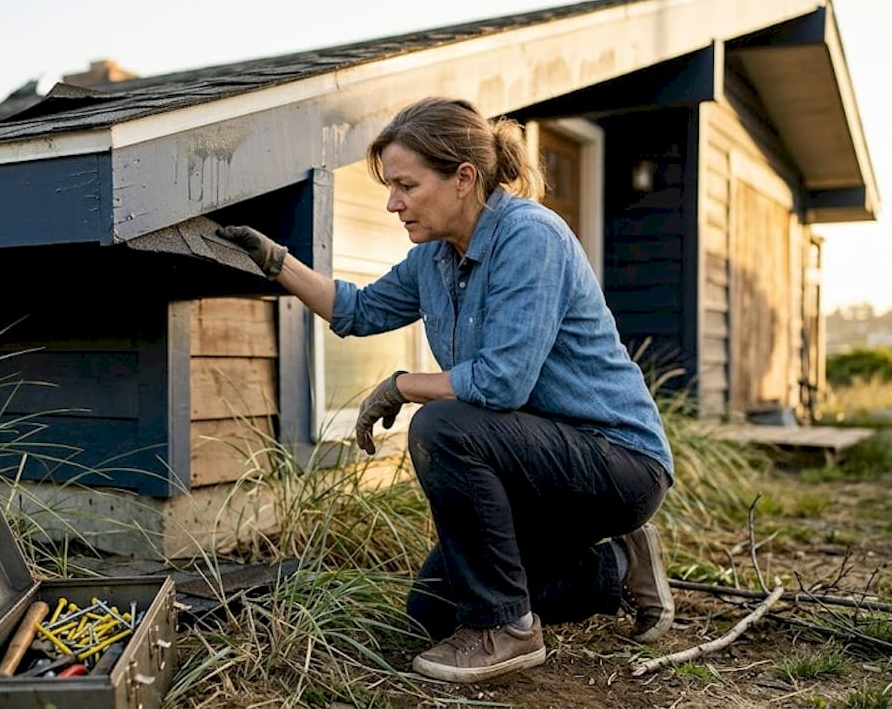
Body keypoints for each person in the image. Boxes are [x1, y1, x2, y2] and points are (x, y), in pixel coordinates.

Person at [216, 97, 675, 684]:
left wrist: (402, 385)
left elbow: (501, 382)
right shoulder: (433, 258)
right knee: (433, 610)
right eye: (389, 186)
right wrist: (276, 261)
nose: (392, 202)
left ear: (463, 179)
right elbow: (357, 310)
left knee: (442, 425)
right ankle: (618, 564)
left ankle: (506, 631)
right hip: (533, 466)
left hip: (615, 462)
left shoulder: (530, 238)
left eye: (406, 185)